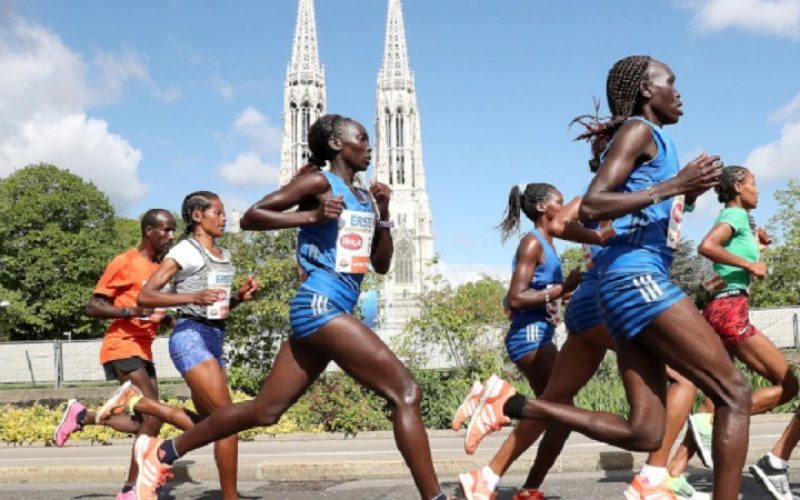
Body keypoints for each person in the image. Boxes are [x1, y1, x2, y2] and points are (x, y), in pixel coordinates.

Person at [459, 56, 751, 500]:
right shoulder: (639, 130)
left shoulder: (657, 145)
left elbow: (648, 208)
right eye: (671, 82)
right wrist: (674, 187)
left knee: (645, 432)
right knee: (733, 392)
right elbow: (593, 204)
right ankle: (660, 482)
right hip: (635, 282)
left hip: (621, 291)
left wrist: (685, 191)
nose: (680, 92)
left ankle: (509, 405)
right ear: (647, 91)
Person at [131, 114, 453, 500]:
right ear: (337, 144)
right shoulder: (319, 182)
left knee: (266, 410)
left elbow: (380, 265)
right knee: (406, 392)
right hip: (320, 305)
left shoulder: (365, 195)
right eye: (362, 138)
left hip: (330, 309)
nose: (370, 146)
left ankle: (164, 453)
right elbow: (251, 216)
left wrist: (384, 217)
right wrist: (312, 216)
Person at [457, 194, 705, 500]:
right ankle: (654, 476)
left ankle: (488, 477)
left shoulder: (607, 194)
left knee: (556, 405)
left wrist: (685, 192)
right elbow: (517, 295)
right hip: (601, 305)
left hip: (587, 306)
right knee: (683, 377)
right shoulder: (615, 193)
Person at [664, 166, 797, 500]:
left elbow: (720, 273)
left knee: (715, 396)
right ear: (738, 187)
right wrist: (751, 265)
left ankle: (675, 472)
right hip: (731, 312)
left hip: (719, 308)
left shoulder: (740, 222)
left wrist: (756, 249)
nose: (758, 190)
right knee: (788, 384)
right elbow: (707, 247)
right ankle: (728, 429)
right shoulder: (735, 217)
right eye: (753, 184)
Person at [53, 209, 198, 500]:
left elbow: (154, 305)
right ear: (148, 231)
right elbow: (93, 306)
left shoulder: (161, 267)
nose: (171, 236)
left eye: (173, 230)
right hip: (121, 344)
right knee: (153, 416)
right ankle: (132, 489)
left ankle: (84, 416)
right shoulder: (124, 262)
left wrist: (168, 320)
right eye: (165, 230)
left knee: (146, 422)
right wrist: (131, 310)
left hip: (143, 348)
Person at [124, 191, 259, 500]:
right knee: (228, 420)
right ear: (198, 216)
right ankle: (230, 497)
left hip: (215, 337)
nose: (224, 218)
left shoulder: (223, 254)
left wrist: (238, 297)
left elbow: (216, 305)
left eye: (224, 213)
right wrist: (192, 297)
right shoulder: (186, 250)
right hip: (191, 336)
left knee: (215, 424)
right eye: (218, 212)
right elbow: (146, 296)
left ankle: (142, 407)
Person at [455, 182, 581, 499]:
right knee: (558, 410)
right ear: (542, 208)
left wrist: (563, 294)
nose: (564, 208)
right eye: (559, 202)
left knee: (560, 418)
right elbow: (515, 298)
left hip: (542, 332)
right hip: (529, 338)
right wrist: (560, 287)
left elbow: (543, 292)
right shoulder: (531, 243)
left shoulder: (549, 245)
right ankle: (500, 406)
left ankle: (529, 488)